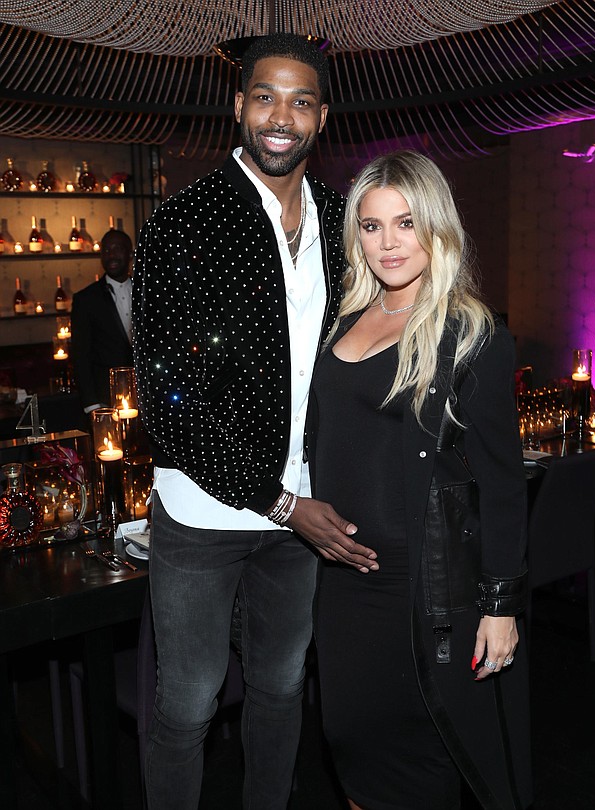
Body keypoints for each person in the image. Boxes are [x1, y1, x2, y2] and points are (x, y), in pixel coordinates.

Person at [131, 33, 378, 810]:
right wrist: (281, 504)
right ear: (238, 105)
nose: (281, 116)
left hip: (307, 511)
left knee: (281, 687)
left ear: (322, 117)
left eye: (301, 101)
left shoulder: (342, 222)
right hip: (203, 515)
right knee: (188, 705)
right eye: (265, 96)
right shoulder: (183, 223)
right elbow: (169, 405)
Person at [309, 150, 532, 810]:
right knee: (350, 746)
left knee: (423, 765)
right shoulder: (340, 322)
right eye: (372, 226)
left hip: (423, 593)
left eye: (406, 223)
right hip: (341, 588)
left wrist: (500, 605)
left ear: (436, 226)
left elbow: (503, 484)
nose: (389, 243)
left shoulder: (472, 335)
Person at [71, 228, 134, 412]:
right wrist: (92, 406)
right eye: (106, 250)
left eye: (117, 249)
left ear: (130, 254)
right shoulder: (86, 299)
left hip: (148, 396)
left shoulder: (146, 292)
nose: (111, 255)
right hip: (106, 400)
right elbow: (81, 356)